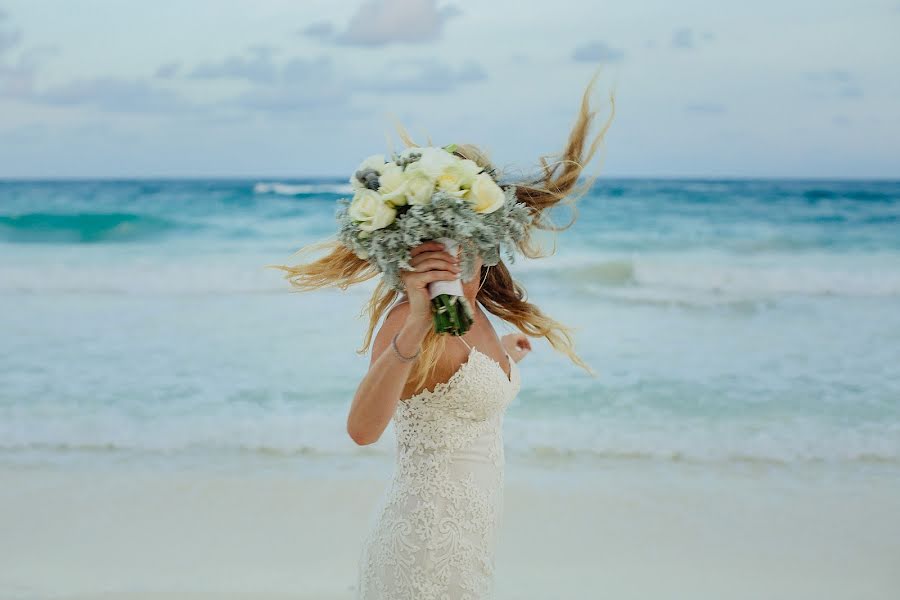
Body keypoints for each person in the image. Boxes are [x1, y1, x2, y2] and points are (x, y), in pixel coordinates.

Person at [274, 73, 613, 599]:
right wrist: (413, 320)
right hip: (426, 547)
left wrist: (507, 356)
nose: (456, 248)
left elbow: (454, 382)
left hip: (469, 541)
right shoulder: (412, 318)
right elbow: (362, 430)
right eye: (444, 234)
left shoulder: (473, 309)